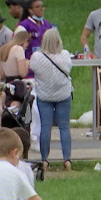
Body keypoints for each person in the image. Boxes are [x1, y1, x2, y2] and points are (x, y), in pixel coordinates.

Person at [30, 28, 73, 171]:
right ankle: (67, 159)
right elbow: (69, 68)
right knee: (64, 127)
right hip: (63, 94)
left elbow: (32, 68)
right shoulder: (65, 55)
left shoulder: (37, 56)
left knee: (45, 127)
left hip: (44, 95)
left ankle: (45, 160)